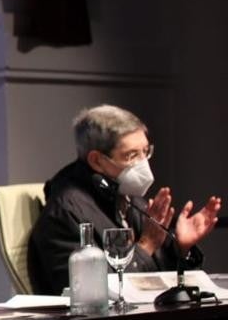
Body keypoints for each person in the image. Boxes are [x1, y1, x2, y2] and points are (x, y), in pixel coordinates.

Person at [27, 105, 221, 296]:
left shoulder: (128, 197)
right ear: (96, 160)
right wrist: (146, 245)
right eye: (131, 155)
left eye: (146, 151)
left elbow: (156, 278)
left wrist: (180, 247)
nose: (143, 163)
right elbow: (92, 293)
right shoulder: (64, 212)